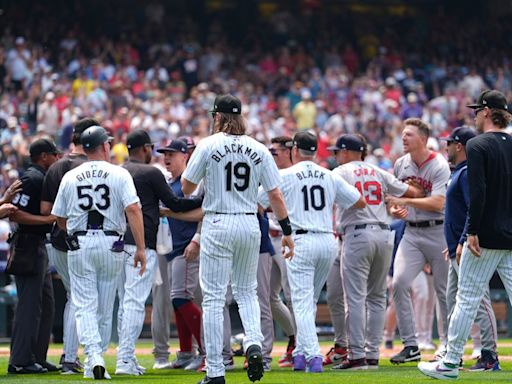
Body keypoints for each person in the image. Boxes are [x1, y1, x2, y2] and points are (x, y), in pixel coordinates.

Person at [181, 94, 294, 384]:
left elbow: (186, 186)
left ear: (217, 117)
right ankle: (253, 342)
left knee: (215, 298)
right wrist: (288, 231)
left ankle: (216, 370)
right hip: (249, 223)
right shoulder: (259, 149)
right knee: (247, 292)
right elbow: (276, 195)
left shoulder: (208, 145)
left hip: (218, 221)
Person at [419, 90, 512, 380]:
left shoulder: (477, 144)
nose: (474, 115)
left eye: (477, 110)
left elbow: (479, 193)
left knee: (466, 299)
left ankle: (449, 363)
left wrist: (471, 231)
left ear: (486, 112)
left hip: (486, 236)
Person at [259, 131, 366, 374]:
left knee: (301, 303)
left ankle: (313, 355)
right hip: (327, 241)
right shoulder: (329, 176)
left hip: (301, 241)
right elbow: (359, 201)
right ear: (315, 152)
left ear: (295, 150)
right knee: (309, 302)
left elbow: (259, 200)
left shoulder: (284, 174)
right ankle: (299, 354)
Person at [51, 125, 147, 380]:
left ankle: (93, 355)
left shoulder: (70, 176)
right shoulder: (118, 173)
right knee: (104, 308)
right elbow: (134, 210)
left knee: (84, 306)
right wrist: (139, 247)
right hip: (111, 244)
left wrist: (72, 230)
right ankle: (98, 355)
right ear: (105, 146)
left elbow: (59, 217)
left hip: (80, 243)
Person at [328, 134, 423, 370]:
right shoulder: (378, 171)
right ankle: (372, 355)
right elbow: (413, 192)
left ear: (347, 152)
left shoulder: (340, 172)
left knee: (356, 298)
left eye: (337, 151)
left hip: (357, 234)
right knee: (378, 297)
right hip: (383, 233)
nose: (336, 156)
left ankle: (358, 356)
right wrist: (392, 199)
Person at [116, 131, 203, 376]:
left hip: (116, 245)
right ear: (145, 149)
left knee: (126, 303)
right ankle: (125, 359)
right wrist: (204, 201)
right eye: (158, 151)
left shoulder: (117, 171)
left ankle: (123, 357)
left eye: (170, 153)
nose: (163, 157)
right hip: (142, 244)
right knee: (136, 302)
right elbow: (175, 204)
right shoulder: (151, 173)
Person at [385, 118, 451, 364]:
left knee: (444, 291)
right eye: (403, 134)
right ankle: (411, 345)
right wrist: (396, 210)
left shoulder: (439, 165)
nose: (404, 138)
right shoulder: (401, 164)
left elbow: (439, 202)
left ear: (422, 139)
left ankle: (447, 344)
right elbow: (393, 201)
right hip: (411, 231)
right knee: (399, 283)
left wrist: (406, 202)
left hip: (438, 231)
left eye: (409, 135)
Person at [40, 117, 99, 375]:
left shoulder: (56, 167)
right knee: (81, 298)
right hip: (93, 238)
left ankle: (72, 355)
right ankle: (70, 357)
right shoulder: (99, 166)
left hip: (59, 239)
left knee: (75, 297)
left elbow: (46, 211)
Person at [439, 125, 499, 371]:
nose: (446, 146)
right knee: (453, 301)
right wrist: (453, 243)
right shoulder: (459, 172)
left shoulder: (467, 173)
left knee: (479, 301)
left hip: (466, 247)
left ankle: (489, 355)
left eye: (450, 143)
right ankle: (454, 354)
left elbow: (473, 210)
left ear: (460, 145)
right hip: (455, 247)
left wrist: (464, 239)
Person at [7, 139, 59, 374]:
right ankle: (20, 361)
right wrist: (48, 220)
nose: (57, 159)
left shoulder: (40, 177)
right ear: (44, 156)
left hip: (38, 244)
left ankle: (37, 356)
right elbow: (15, 215)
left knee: (46, 304)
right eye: (54, 155)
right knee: (29, 305)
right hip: (27, 245)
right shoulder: (31, 178)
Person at [154, 138, 204, 371]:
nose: (166, 158)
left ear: (185, 156)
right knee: (178, 301)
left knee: (181, 297)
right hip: (174, 248)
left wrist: (197, 239)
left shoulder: (191, 183)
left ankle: (207, 351)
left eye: (171, 154)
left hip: (188, 247)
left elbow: (204, 213)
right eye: (165, 154)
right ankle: (185, 353)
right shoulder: (171, 183)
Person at [266, 136, 296, 368]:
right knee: (268, 296)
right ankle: (294, 337)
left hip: (290, 239)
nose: (271, 155)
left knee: (292, 294)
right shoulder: (270, 173)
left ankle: (300, 345)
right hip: (269, 238)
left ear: (289, 152)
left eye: (275, 152)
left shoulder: (296, 174)